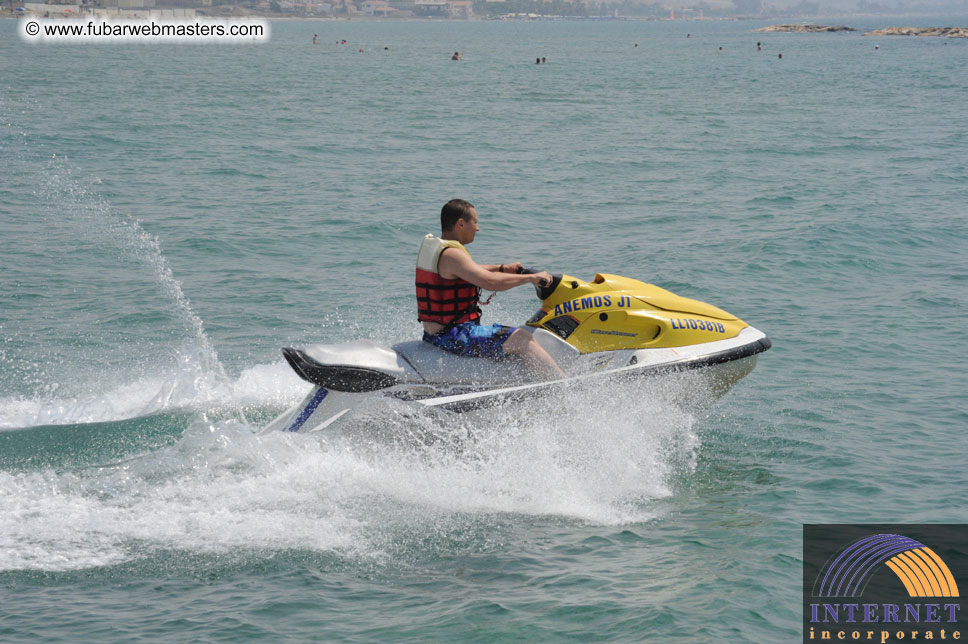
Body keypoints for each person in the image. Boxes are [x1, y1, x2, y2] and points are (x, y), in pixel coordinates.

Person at [416, 199, 566, 379]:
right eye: (475, 222)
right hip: (455, 336)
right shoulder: (452, 255)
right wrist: (531, 278)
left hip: (436, 335)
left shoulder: (441, 250)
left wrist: (502, 268)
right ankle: (562, 386)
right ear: (461, 223)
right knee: (523, 338)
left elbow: (470, 270)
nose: (477, 228)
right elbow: (490, 282)